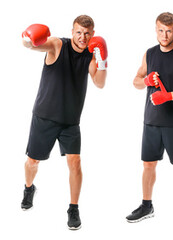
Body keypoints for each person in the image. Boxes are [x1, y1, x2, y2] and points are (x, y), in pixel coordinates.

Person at [20, 14, 108, 230]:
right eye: (79, 32)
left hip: (70, 121)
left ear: (92, 34)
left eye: (87, 33)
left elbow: (99, 83)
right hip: (44, 117)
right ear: (72, 32)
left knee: (75, 162)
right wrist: (28, 38)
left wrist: (103, 60)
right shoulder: (58, 45)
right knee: (33, 162)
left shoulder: (91, 54)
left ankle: (73, 208)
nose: (82, 37)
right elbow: (32, 46)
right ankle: (29, 188)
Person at [127, 12, 173, 232]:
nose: (164, 35)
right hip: (151, 120)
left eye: (169, 31)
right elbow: (136, 81)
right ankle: (146, 205)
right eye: (161, 30)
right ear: (156, 29)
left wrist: (168, 96)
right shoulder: (149, 53)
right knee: (148, 164)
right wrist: (146, 80)